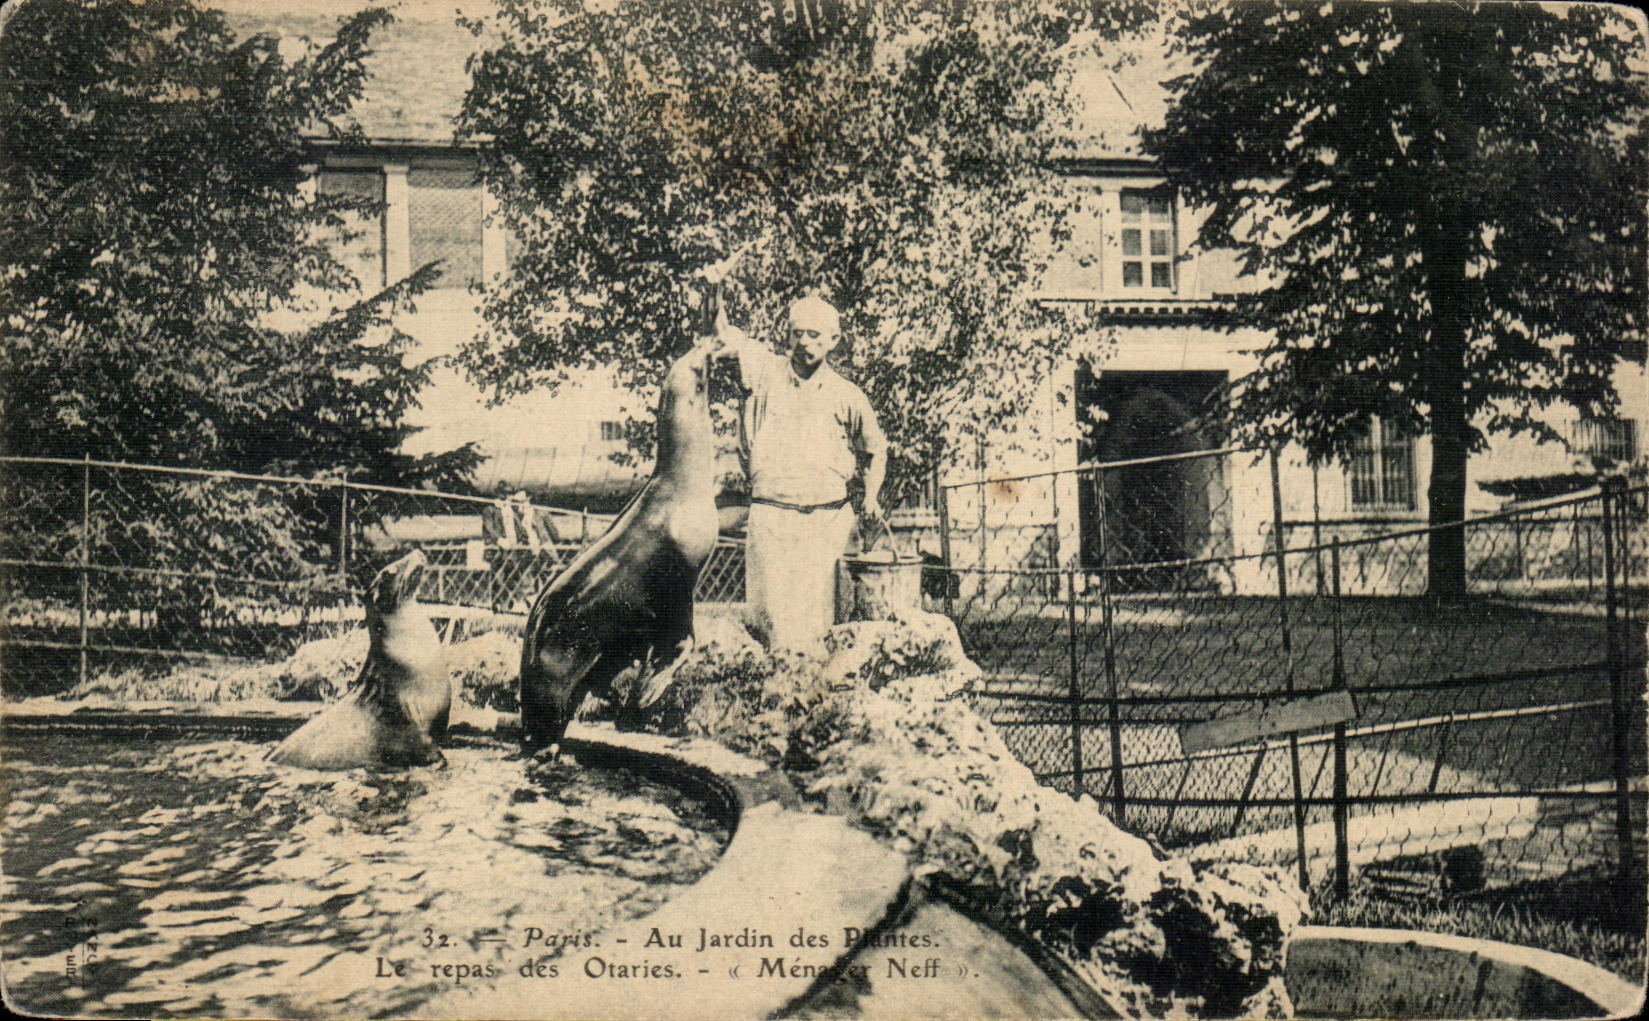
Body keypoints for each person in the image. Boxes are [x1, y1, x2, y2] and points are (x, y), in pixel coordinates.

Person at [711, 295, 886, 651]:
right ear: (786, 336)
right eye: (797, 333)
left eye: (814, 335)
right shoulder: (763, 371)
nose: (804, 341)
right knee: (773, 629)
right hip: (772, 520)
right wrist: (714, 292)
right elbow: (719, 333)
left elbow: (877, 450)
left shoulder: (847, 395)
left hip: (828, 525)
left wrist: (870, 496)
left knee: (825, 632)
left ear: (834, 340)